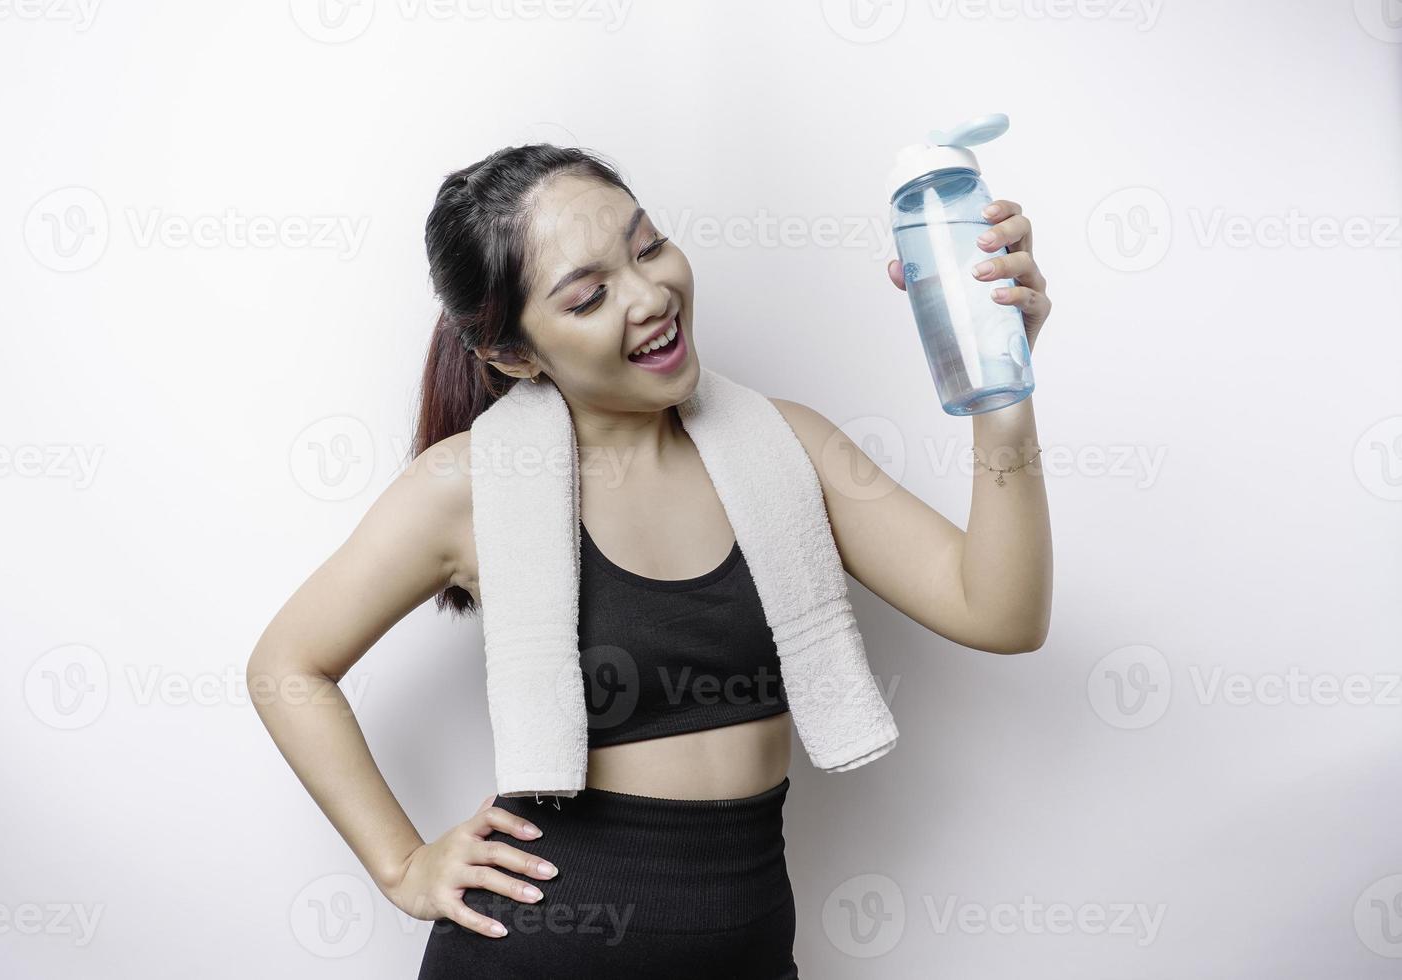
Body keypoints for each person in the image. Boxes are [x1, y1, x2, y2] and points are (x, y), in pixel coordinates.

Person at [246, 144, 1054, 978]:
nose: (651, 295)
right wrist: (403, 865)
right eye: (590, 296)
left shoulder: (790, 447)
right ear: (515, 355)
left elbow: (1000, 613)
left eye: (649, 246)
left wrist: (1002, 388)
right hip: (537, 955)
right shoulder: (471, 485)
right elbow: (288, 665)